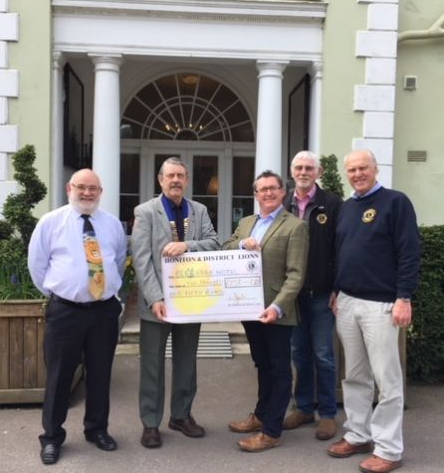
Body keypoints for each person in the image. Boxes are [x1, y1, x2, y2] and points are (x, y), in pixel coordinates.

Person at [327, 150, 420, 473]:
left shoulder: (396, 202)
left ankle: (390, 449)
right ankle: (358, 434)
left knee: (387, 379)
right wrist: (337, 289)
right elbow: (343, 253)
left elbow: (409, 252)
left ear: (376, 169)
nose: (357, 174)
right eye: (351, 169)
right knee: (354, 376)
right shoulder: (348, 208)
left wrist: (404, 297)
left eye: (363, 168)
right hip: (348, 302)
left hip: (382, 304)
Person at [28, 169, 127, 465]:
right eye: (82, 187)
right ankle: (52, 437)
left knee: (100, 373)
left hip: (103, 311)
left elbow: (119, 261)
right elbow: (37, 265)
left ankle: (97, 429)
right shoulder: (51, 222)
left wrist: (104, 289)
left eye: (93, 189)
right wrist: (61, 293)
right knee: (59, 376)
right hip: (66, 312)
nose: (87, 193)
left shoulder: (111, 224)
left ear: (100, 192)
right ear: (70, 188)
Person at [131, 157, 219, 449]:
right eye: (170, 175)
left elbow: (213, 242)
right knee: (152, 366)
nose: (175, 180)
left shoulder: (200, 210)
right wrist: (154, 297)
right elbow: (141, 260)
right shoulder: (145, 212)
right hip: (157, 303)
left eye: (180, 175)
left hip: (190, 301)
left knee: (186, 361)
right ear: (160, 180)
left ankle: (181, 416)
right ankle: (151, 423)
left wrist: (187, 245)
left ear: (187, 179)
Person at [224, 170, 309, 452]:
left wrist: (277, 307)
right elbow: (226, 248)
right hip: (249, 308)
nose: (268, 193)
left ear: (283, 192)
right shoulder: (247, 222)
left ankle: (271, 431)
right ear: (255, 193)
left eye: (273, 188)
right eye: (262, 189)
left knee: (280, 370)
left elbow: (296, 275)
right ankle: (261, 415)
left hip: (277, 313)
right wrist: (241, 243)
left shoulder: (295, 226)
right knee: (262, 365)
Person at [282, 151, 342, 440]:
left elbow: (342, 249)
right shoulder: (283, 203)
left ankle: (328, 413)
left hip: (320, 294)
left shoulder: (332, 204)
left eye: (309, 168)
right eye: (299, 167)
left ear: (318, 172)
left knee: (323, 355)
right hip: (291, 295)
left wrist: (337, 289)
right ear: (292, 172)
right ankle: (303, 407)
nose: (303, 172)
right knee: (299, 354)